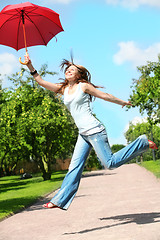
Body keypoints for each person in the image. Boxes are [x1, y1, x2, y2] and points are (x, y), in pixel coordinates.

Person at [25, 55, 158, 210]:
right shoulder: (64, 89)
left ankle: (141, 142)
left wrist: (121, 102)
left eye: (72, 70)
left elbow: (105, 96)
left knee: (110, 163)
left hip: (95, 131)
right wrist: (30, 65)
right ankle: (59, 200)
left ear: (79, 75)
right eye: (67, 69)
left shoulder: (84, 86)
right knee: (74, 167)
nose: (68, 71)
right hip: (83, 134)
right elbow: (41, 82)